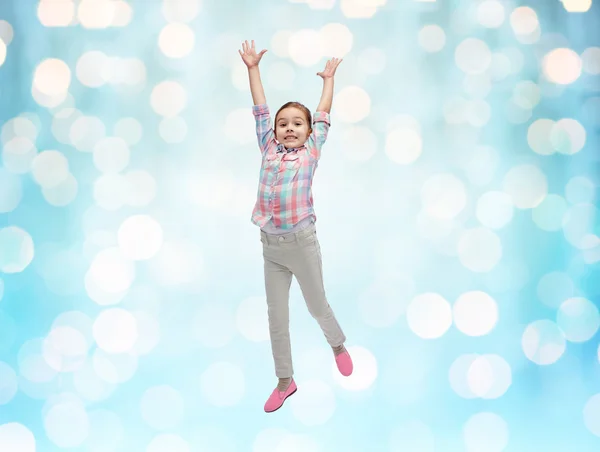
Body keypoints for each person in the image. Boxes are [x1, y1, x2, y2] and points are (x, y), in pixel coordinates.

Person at [239, 40, 353, 413]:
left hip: (301, 244)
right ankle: (285, 381)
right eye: (283, 124)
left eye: (297, 124)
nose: (289, 129)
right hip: (270, 247)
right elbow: (259, 108)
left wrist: (328, 80)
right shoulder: (268, 147)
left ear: (308, 132)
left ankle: (337, 344)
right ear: (273, 131)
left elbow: (323, 112)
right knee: (277, 317)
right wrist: (253, 69)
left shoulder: (312, 151)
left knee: (317, 305)